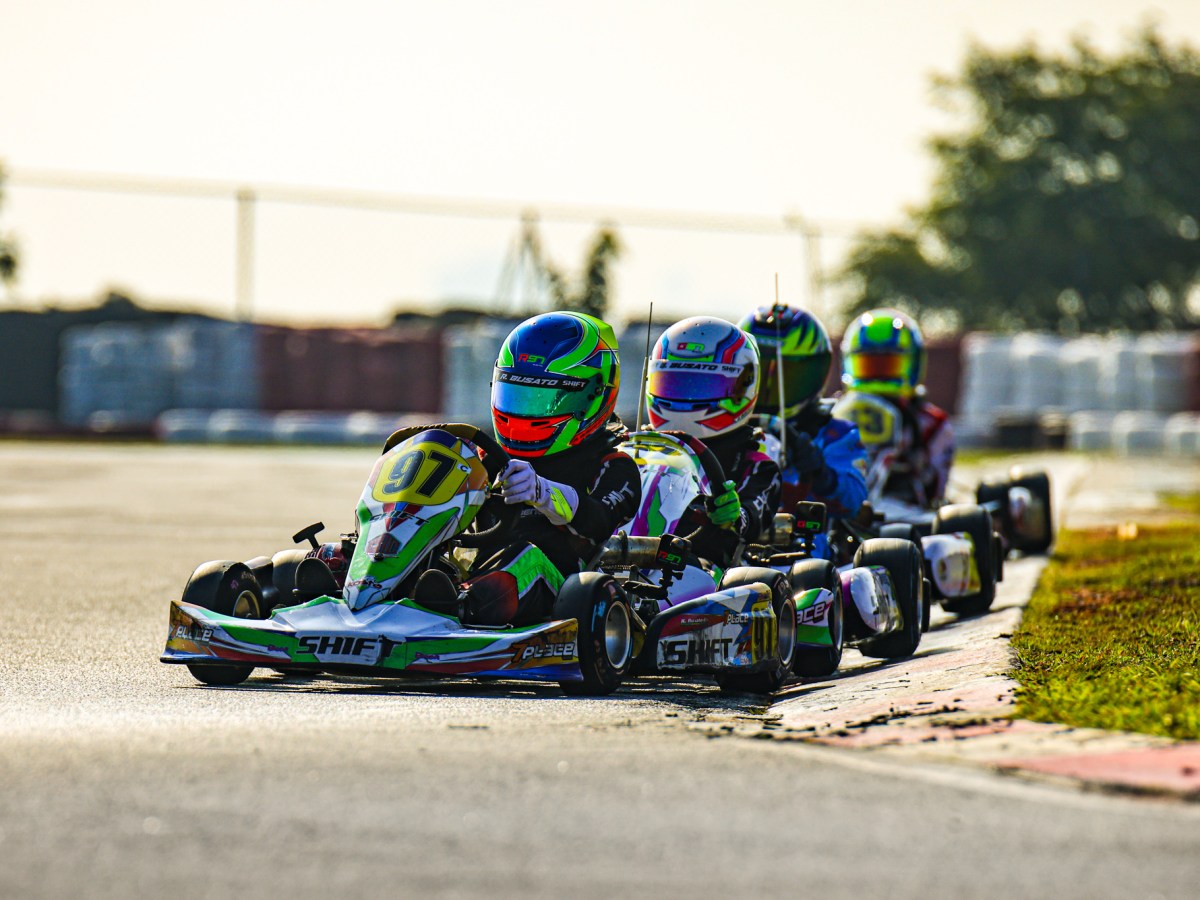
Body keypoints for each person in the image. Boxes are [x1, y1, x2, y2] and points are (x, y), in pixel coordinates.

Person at [414, 310, 642, 625]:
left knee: (525, 559)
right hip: (481, 571)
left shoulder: (615, 467)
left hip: (566, 591)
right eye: (518, 395)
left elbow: (598, 521)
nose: (526, 411)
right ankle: (351, 580)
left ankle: (458, 608)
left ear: (594, 394)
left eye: (544, 398)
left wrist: (542, 492)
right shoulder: (487, 459)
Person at [643, 315, 780, 567]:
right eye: (674, 385)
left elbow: (752, 515)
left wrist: (734, 515)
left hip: (706, 575)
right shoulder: (635, 451)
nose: (685, 398)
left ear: (743, 387)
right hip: (622, 559)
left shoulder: (757, 465)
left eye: (701, 385)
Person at [738, 304, 868, 521]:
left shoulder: (835, 434)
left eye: (789, 377)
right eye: (760, 374)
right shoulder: (724, 428)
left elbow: (854, 502)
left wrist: (821, 472)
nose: (771, 387)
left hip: (803, 543)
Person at [839, 308, 954, 506]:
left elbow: (934, 489)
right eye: (870, 365)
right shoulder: (835, 417)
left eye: (888, 365)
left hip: (905, 513)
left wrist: (903, 458)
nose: (878, 375)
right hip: (842, 506)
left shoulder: (931, 424)